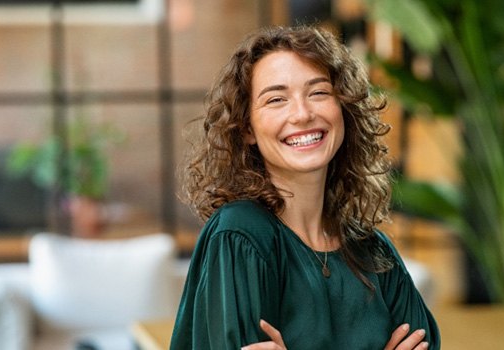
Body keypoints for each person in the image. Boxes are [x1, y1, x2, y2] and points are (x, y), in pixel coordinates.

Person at [170, 25, 440, 349]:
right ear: (246, 129)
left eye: (318, 92)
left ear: (343, 109)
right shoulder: (240, 236)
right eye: (276, 99)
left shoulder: (373, 251)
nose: (302, 114)